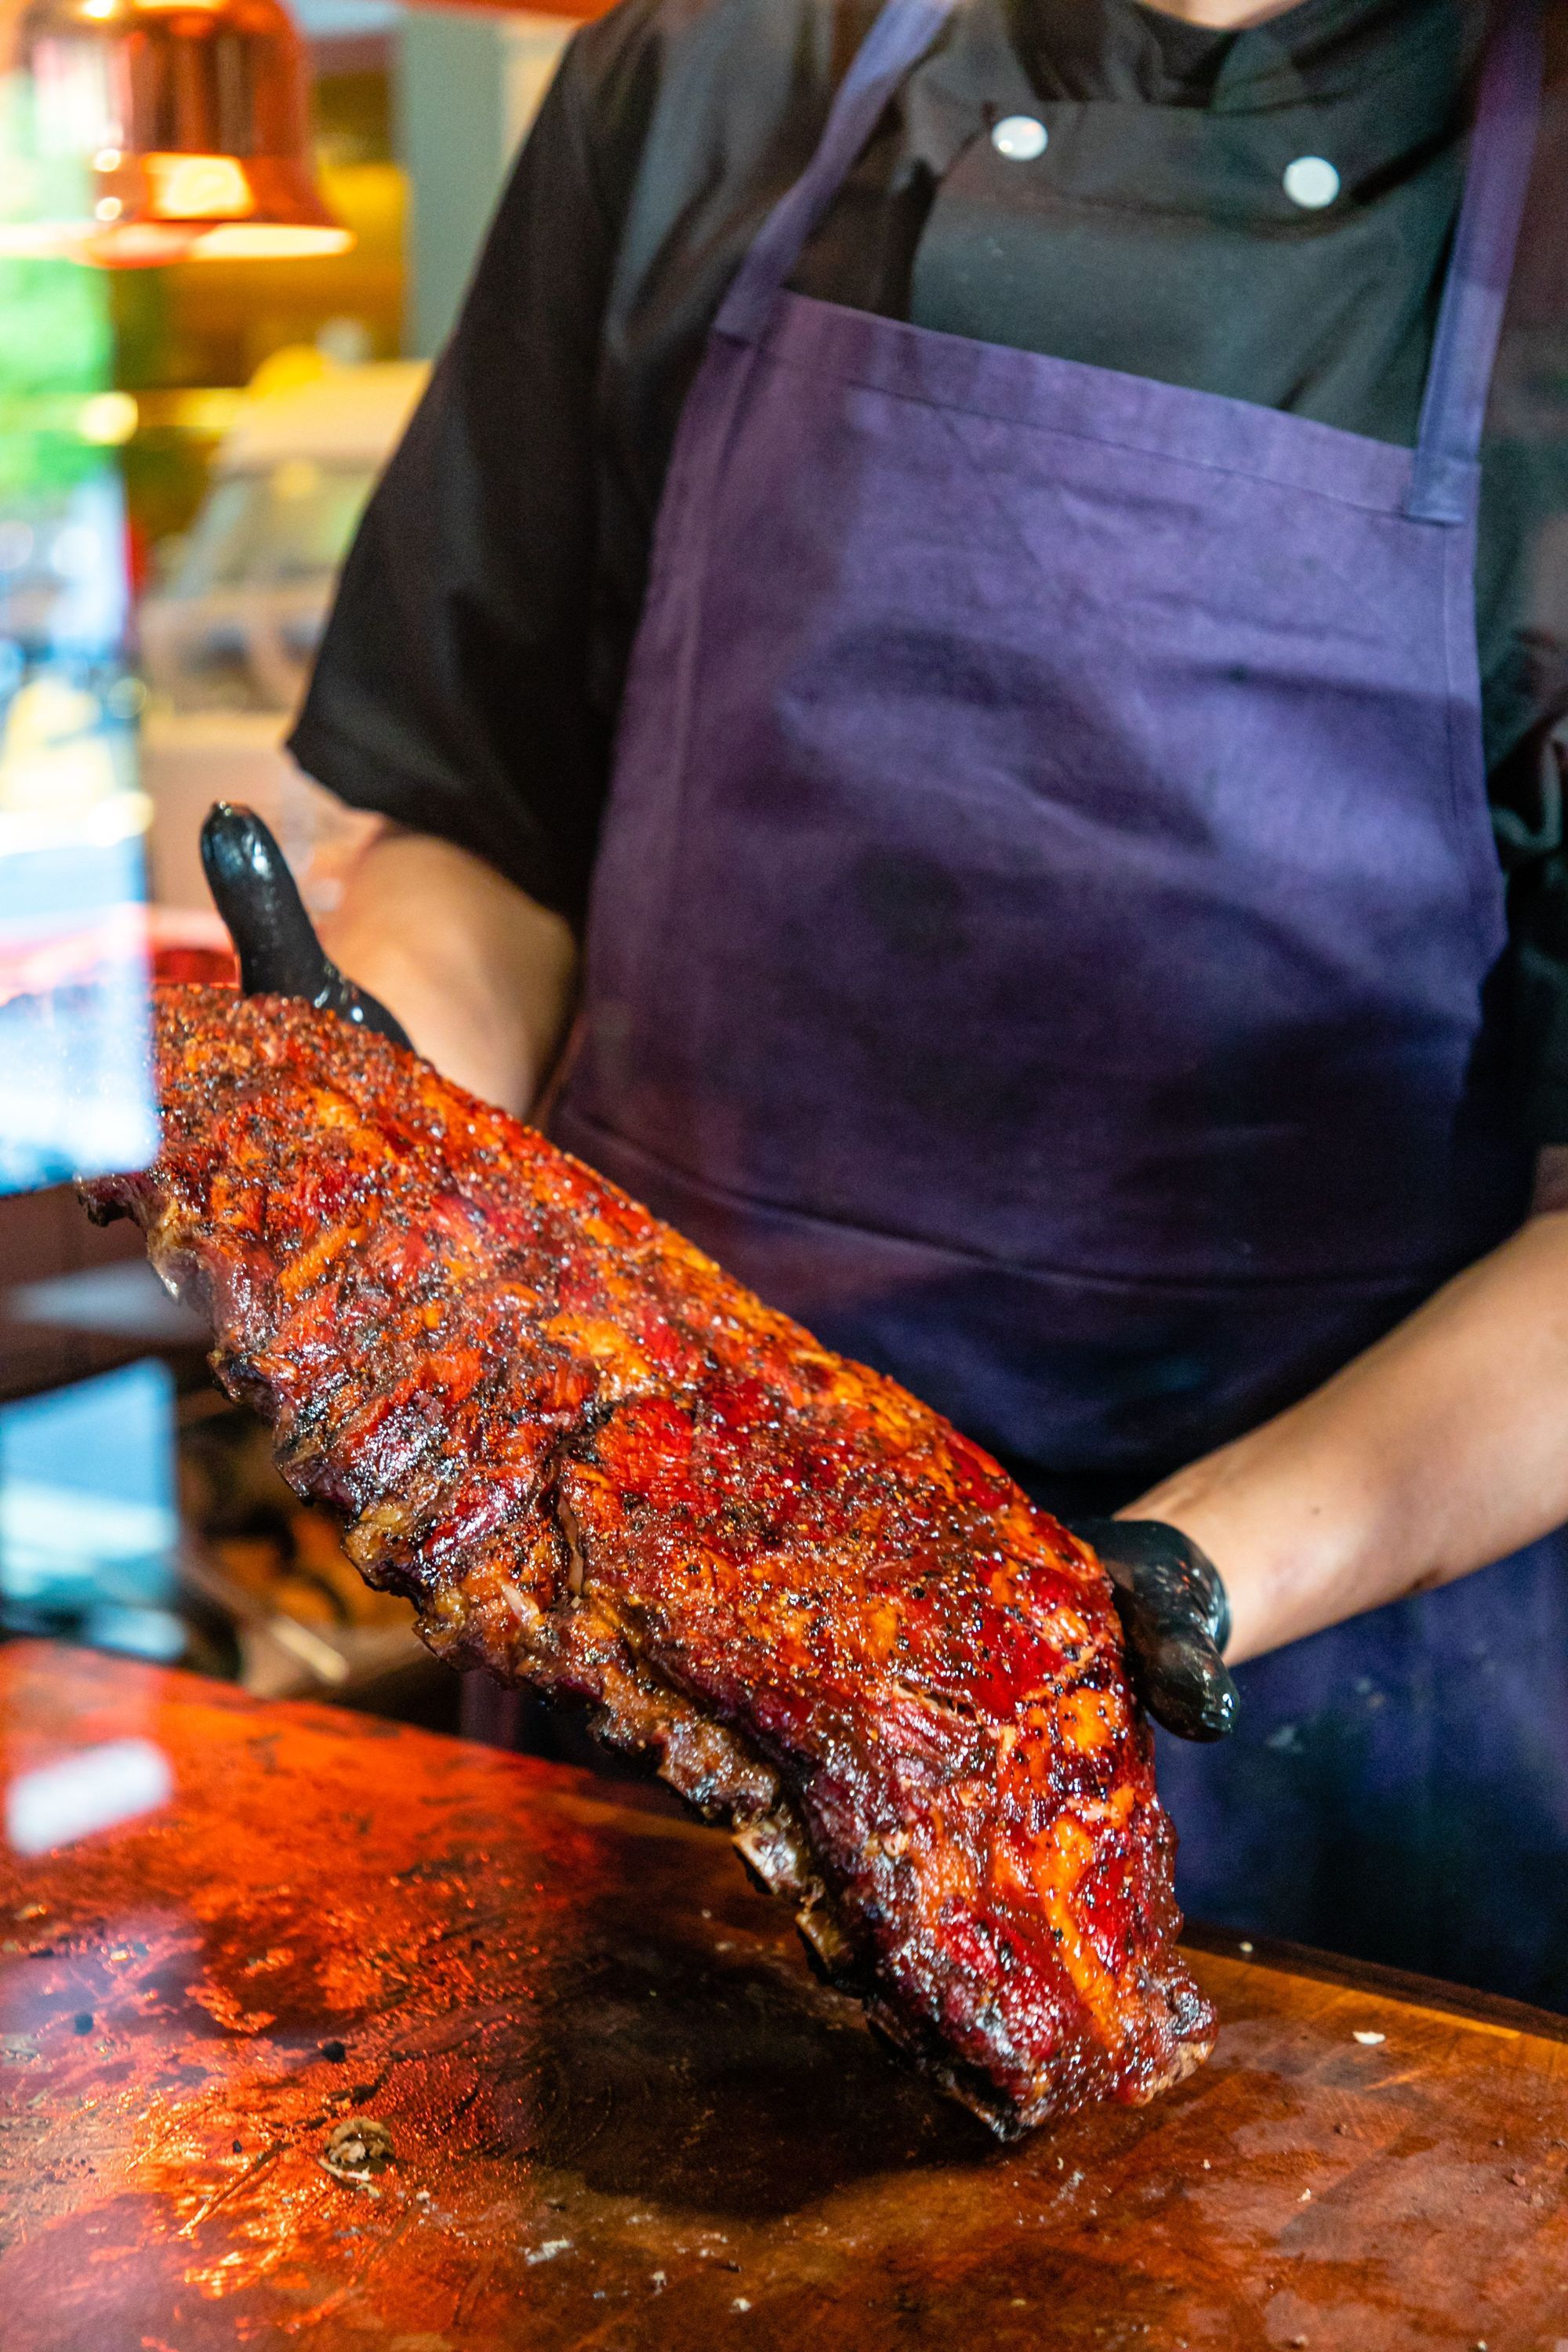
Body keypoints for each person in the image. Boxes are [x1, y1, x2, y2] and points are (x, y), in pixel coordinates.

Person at [285, 0, 1568, 2005]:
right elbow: (485, 831)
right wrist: (387, 1172)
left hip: (1333, 1703)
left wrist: (1153, 1595)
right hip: (656, 1632)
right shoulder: (711, 66)